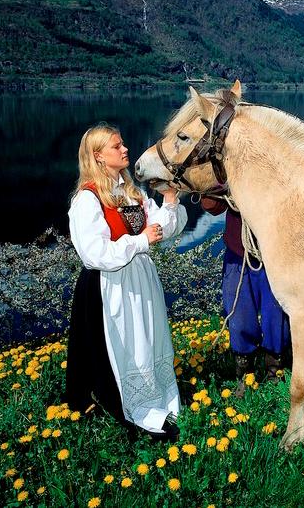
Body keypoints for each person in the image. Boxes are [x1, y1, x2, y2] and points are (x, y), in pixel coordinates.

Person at [64, 123, 187, 440]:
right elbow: (95, 254)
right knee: (126, 345)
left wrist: (171, 201)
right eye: (116, 146)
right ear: (98, 155)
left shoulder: (131, 192)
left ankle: (159, 400)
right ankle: (132, 405)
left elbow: (160, 229)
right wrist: (141, 242)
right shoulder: (87, 200)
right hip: (110, 285)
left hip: (140, 278)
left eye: (122, 144)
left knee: (149, 339)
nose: (125, 149)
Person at [201, 197, 290, 393]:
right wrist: (207, 187)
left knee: (276, 315)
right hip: (238, 253)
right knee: (238, 315)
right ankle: (245, 372)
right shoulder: (229, 167)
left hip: (275, 251)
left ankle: (275, 369)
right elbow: (213, 207)